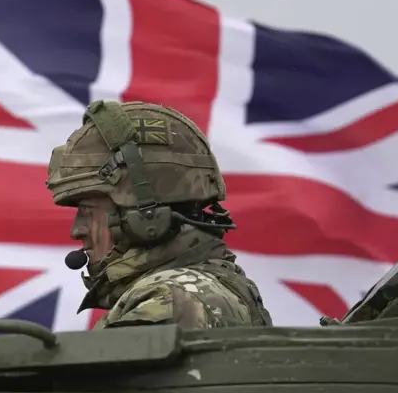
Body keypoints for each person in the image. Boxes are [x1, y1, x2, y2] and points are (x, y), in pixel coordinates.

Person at [46, 99, 273, 330]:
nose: (76, 231)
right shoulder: (195, 290)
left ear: (146, 216)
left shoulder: (173, 300)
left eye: (87, 212)